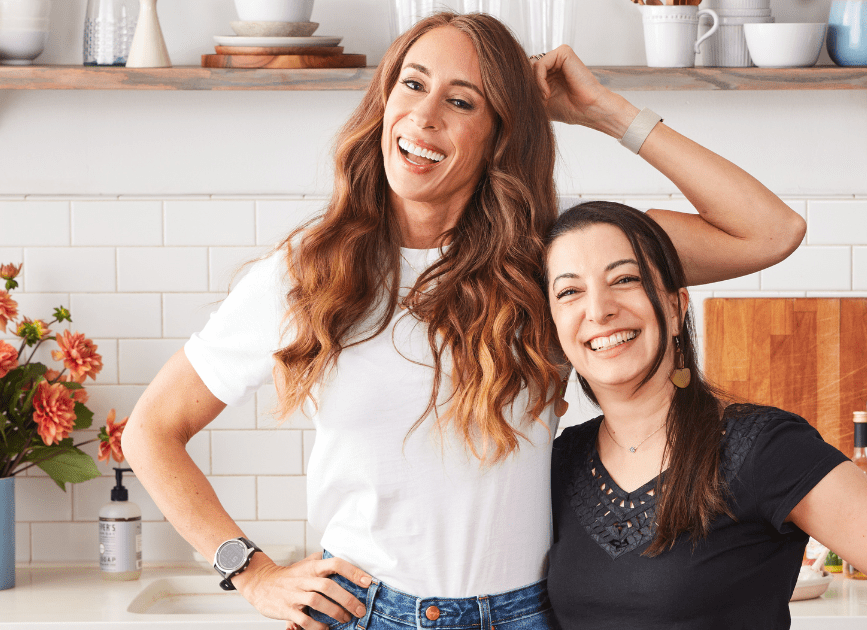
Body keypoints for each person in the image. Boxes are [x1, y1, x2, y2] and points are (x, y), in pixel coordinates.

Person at [123, 12, 805, 630]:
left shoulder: (553, 258)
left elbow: (768, 232)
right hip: (363, 612)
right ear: (383, 101)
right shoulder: (308, 271)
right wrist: (251, 571)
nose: (423, 118)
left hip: (527, 613)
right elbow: (152, 430)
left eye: (460, 101)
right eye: (412, 86)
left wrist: (604, 110)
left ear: (498, 136)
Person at [543, 201, 867, 630]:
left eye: (624, 279)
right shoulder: (557, 462)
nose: (599, 309)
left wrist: (617, 121)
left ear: (676, 309)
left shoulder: (761, 447)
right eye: (569, 291)